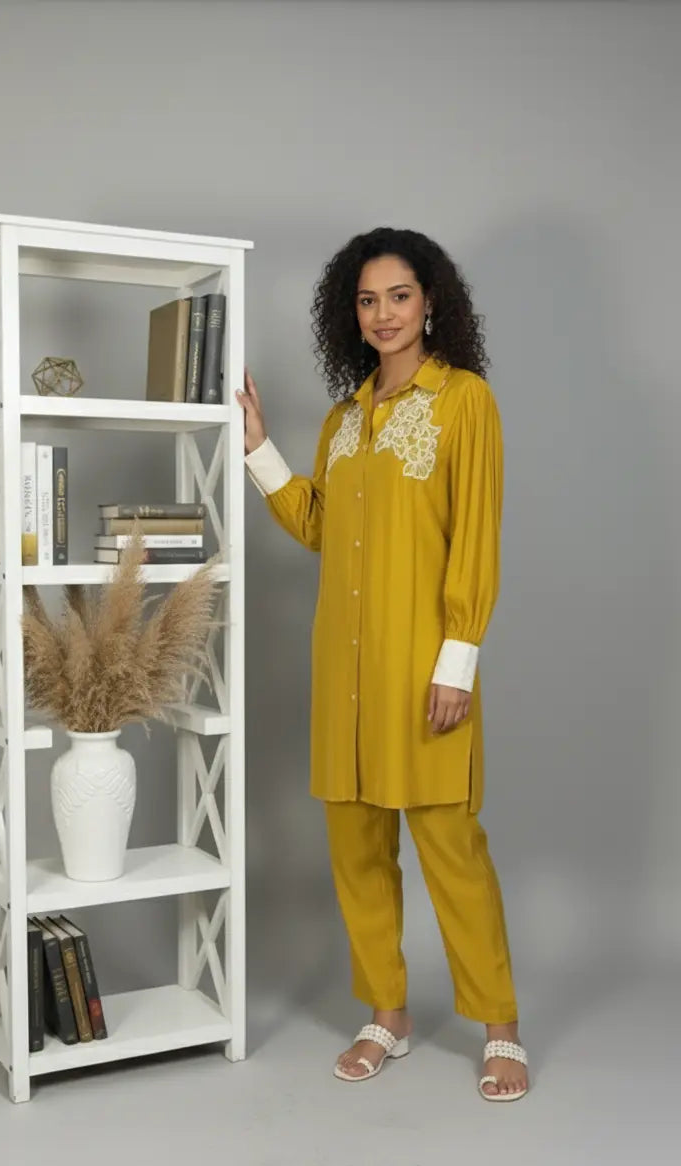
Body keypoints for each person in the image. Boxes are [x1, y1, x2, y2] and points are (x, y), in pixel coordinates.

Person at [237, 228, 528, 1101]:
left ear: (431, 300)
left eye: (398, 296)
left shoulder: (463, 402)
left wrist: (459, 663)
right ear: (350, 314)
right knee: (357, 850)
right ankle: (386, 1014)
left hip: (424, 667)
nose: (384, 314)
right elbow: (320, 525)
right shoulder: (343, 418)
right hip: (346, 672)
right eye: (367, 301)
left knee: (452, 849)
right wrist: (259, 446)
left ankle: (501, 1026)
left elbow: (475, 539)